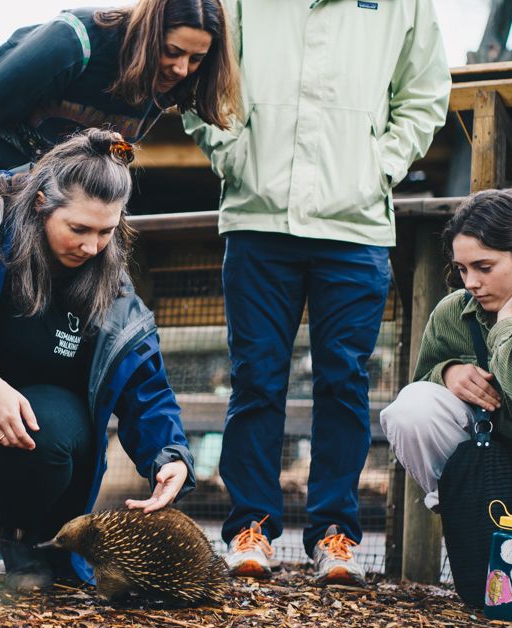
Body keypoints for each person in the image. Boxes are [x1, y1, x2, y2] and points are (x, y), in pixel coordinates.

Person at [182, 0, 451, 584]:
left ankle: (335, 535)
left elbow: (426, 92)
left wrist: (377, 165)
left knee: (344, 381)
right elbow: (200, 78)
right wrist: (233, 155)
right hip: (257, 221)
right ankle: (250, 528)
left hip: (353, 229)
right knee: (255, 377)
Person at [0, 129, 195, 595]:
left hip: (41, 446)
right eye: (79, 229)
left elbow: (144, 380)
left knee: (41, 423)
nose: (92, 247)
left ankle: (23, 542)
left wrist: (169, 456)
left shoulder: (111, 278)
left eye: (106, 232)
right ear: (43, 201)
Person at [0, 0, 239, 201]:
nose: (182, 68)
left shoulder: (172, 80)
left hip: (69, 214)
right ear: (149, 36)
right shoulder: (72, 42)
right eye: (172, 51)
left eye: (196, 58)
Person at [381, 189, 512, 511]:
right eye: (462, 268)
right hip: (487, 466)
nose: (470, 282)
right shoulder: (452, 312)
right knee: (411, 408)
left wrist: (509, 321)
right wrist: (446, 373)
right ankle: (467, 508)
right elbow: (420, 385)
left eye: (484, 267)